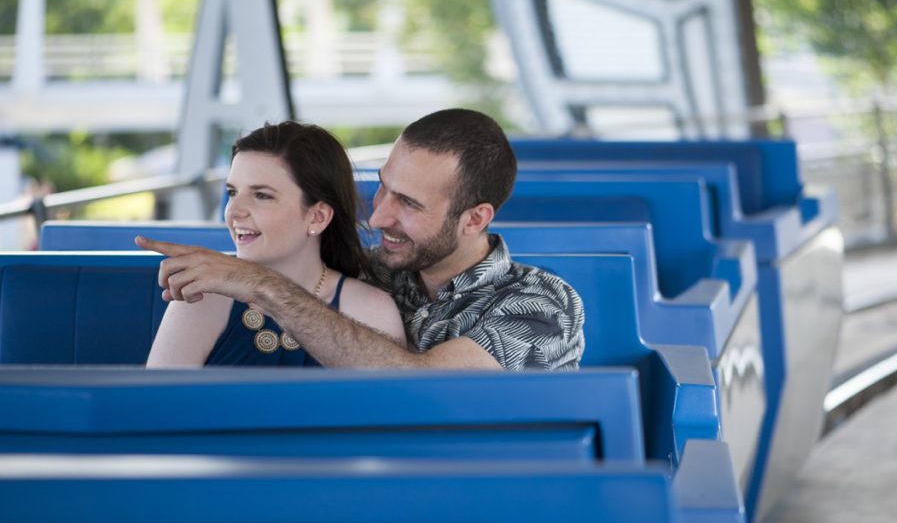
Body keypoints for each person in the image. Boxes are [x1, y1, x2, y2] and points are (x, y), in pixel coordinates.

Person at [138, 108, 584, 370]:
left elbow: (421, 387)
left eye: (408, 204)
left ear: (474, 219)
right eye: (383, 187)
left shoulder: (542, 304)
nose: (380, 213)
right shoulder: (371, 273)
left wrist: (258, 283)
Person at [146, 121, 406, 367]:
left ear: (318, 216)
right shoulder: (199, 299)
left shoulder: (371, 309)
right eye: (232, 192)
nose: (233, 211)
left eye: (261, 195)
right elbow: (153, 409)